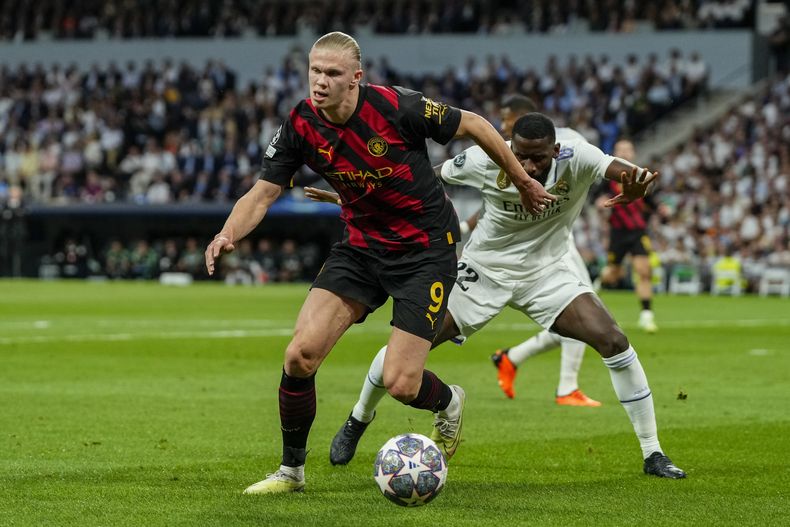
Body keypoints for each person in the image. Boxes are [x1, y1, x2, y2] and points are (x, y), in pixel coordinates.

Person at [204, 32, 554, 495]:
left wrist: (522, 182)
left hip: (425, 250)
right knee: (300, 355)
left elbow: (475, 124)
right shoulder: (301, 124)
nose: (320, 82)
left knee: (402, 384)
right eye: (315, 71)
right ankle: (291, 472)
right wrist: (228, 232)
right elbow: (263, 192)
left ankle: (448, 402)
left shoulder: (397, 107)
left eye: (332, 73)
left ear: (355, 78)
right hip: (361, 247)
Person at [311, 112, 686, 479]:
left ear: (555, 151)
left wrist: (639, 183)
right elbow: (423, 178)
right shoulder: (484, 158)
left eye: (537, 157)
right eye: (519, 154)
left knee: (614, 340)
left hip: (547, 272)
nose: (527, 164)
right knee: (406, 348)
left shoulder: (577, 156)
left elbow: (622, 169)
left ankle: (653, 452)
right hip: (482, 271)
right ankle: (359, 417)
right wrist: (357, 196)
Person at [475, 94, 602, 406]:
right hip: (522, 247)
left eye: (505, 118)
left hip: (556, 243)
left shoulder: (571, 142)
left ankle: (515, 359)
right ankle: (563, 386)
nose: (502, 125)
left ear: (520, 116)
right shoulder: (506, 153)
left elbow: (586, 171)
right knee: (582, 314)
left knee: (582, 313)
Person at [597, 139, 659, 333]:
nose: (624, 153)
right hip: (617, 234)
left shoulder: (641, 177)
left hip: (638, 232)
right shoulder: (607, 178)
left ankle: (646, 316)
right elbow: (596, 198)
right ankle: (595, 285)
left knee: (643, 271)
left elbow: (651, 201)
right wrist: (600, 203)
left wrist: (661, 209)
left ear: (633, 153)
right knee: (613, 274)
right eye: (620, 150)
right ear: (614, 152)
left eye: (627, 150)